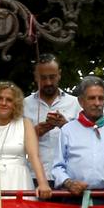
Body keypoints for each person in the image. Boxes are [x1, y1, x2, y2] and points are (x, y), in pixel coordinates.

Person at [51, 76, 104, 199]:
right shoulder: (67, 131)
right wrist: (69, 183)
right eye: (91, 98)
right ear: (81, 101)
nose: (97, 103)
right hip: (74, 199)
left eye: (101, 98)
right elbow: (57, 167)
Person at [25, 54, 80, 183]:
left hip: (68, 177)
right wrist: (33, 133)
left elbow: (85, 141)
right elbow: (15, 144)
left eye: (52, 77)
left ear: (59, 74)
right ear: (35, 77)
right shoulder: (24, 105)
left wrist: (66, 126)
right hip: (34, 175)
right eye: (43, 78)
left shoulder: (75, 103)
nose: (48, 82)